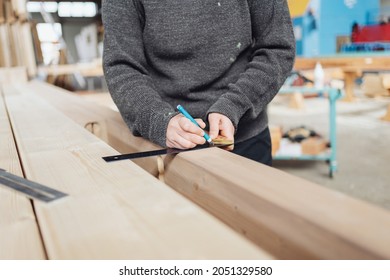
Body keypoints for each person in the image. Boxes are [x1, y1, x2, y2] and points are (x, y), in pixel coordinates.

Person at [102, 0, 295, 166]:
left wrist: (234, 105)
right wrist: (157, 119)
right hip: (163, 146)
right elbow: (122, 66)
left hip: (245, 140)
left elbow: (277, 48)